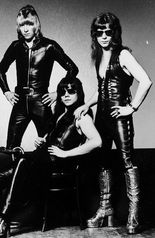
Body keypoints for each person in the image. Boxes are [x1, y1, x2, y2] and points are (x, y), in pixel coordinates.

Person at [0, 76, 102, 238]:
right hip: (41, 161)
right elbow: (59, 138)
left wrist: (65, 153)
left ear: (79, 93)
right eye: (62, 92)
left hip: (57, 165)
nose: (66, 95)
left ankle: (2, 219)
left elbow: (97, 141)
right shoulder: (61, 114)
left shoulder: (82, 116)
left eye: (71, 91)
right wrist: (44, 140)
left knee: (21, 162)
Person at [74, 12, 152, 234]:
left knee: (127, 161)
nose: (104, 37)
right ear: (95, 35)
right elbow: (102, 90)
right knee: (102, 160)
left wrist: (132, 107)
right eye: (99, 33)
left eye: (108, 32)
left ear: (114, 33)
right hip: (102, 116)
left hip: (120, 117)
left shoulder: (123, 54)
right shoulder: (99, 55)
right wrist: (87, 105)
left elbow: (146, 81)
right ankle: (105, 209)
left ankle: (133, 214)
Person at [0, 5, 79, 149]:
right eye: (22, 25)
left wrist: (57, 94)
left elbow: (73, 68)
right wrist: (7, 92)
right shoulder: (15, 46)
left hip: (41, 102)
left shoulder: (49, 46)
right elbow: (0, 70)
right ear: (18, 27)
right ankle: (14, 171)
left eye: (29, 24)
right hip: (20, 103)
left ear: (36, 25)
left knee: (48, 145)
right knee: (11, 147)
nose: (26, 29)